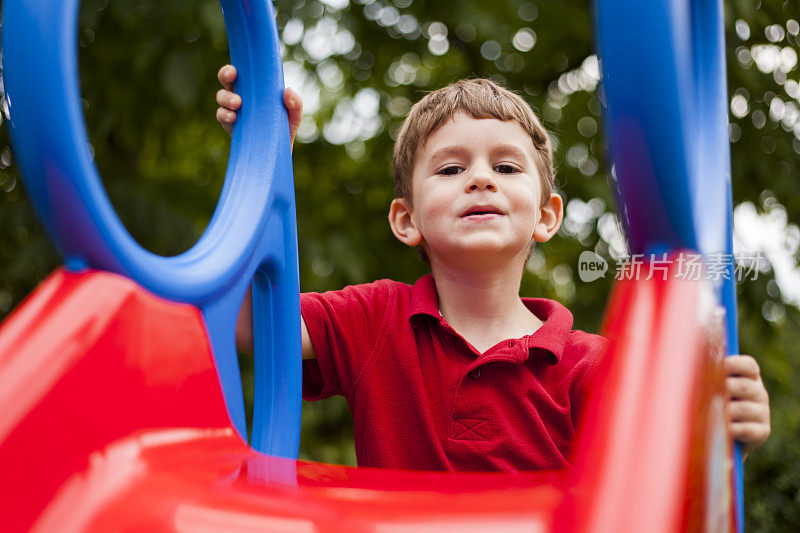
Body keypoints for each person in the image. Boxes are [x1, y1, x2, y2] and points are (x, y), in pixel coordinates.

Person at [216, 65, 771, 470]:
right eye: (451, 168)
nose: (480, 179)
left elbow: (663, 474)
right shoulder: (376, 319)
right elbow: (248, 324)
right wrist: (262, 167)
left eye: (505, 166)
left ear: (546, 216)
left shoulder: (591, 366)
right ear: (406, 220)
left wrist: (721, 421)